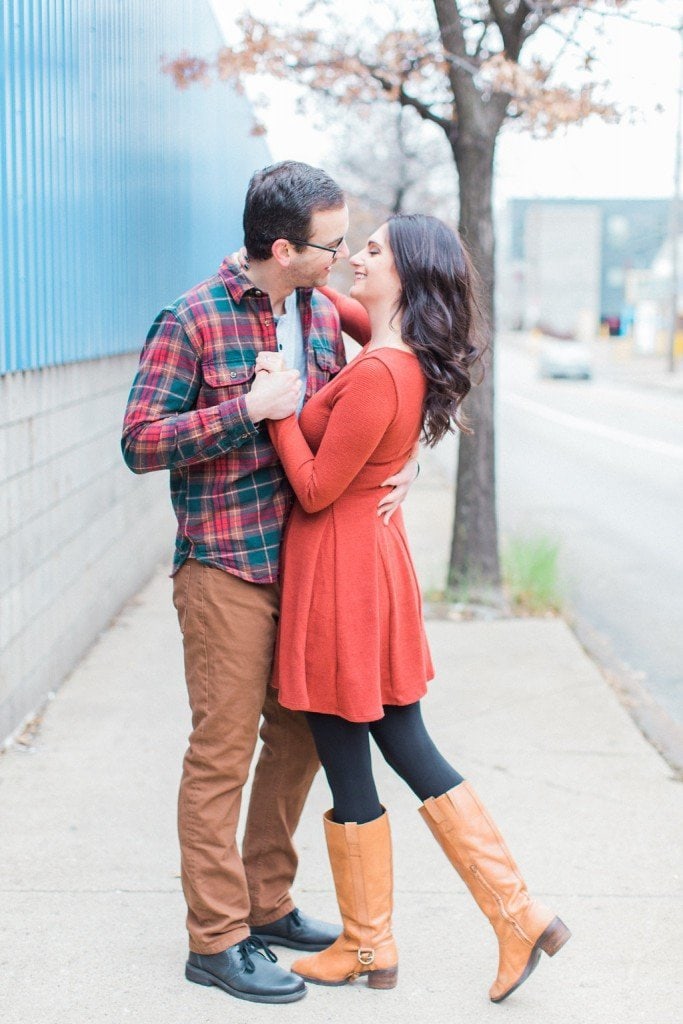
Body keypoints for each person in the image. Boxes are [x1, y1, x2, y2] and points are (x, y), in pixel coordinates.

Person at [120, 161, 417, 1005]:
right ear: (283, 248)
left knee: (297, 741)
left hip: (307, 566)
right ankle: (213, 940)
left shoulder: (322, 308)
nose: (343, 255)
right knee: (220, 754)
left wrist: (415, 459)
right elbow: (140, 441)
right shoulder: (191, 319)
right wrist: (241, 413)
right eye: (332, 242)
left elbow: (404, 362)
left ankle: (266, 902)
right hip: (224, 564)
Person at [260, 213, 571, 1003]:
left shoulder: (377, 373)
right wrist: (305, 277)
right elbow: (339, 308)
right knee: (401, 742)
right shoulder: (394, 352)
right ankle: (509, 915)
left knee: (353, 754)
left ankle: (382, 943)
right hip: (367, 569)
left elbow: (315, 488)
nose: (354, 257)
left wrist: (274, 415)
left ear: (405, 273)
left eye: (371, 251)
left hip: (339, 576)